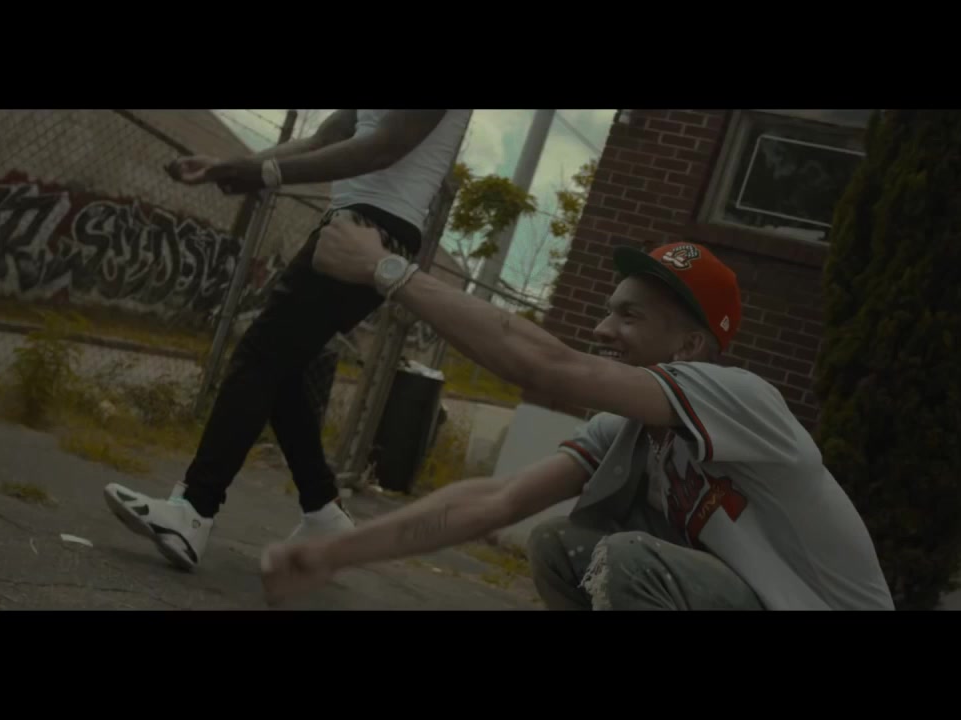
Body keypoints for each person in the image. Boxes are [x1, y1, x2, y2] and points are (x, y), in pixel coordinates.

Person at [257, 222, 896, 610]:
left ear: (690, 347)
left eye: (629, 316)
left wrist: (386, 270)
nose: (602, 329)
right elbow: (497, 500)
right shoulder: (629, 432)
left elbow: (548, 367)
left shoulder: (741, 400)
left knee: (628, 560)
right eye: (608, 310)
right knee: (561, 546)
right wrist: (337, 552)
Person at [103, 110, 472, 572]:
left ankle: (193, 511)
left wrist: (266, 173)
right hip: (352, 224)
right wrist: (231, 165)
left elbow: (385, 147)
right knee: (281, 367)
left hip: (376, 230)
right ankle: (323, 511)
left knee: (259, 356)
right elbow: (321, 139)